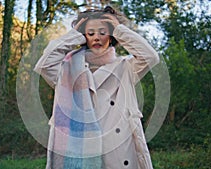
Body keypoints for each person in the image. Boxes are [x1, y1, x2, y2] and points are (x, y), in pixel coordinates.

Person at [34, 6, 159, 169]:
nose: (97, 38)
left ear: (112, 35)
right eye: (90, 33)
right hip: (82, 151)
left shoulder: (125, 67)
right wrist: (74, 35)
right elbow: (44, 64)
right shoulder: (67, 70)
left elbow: (150, 57)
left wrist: (120, 29)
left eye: (103, 32)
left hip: (119, 153)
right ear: (83, 36)